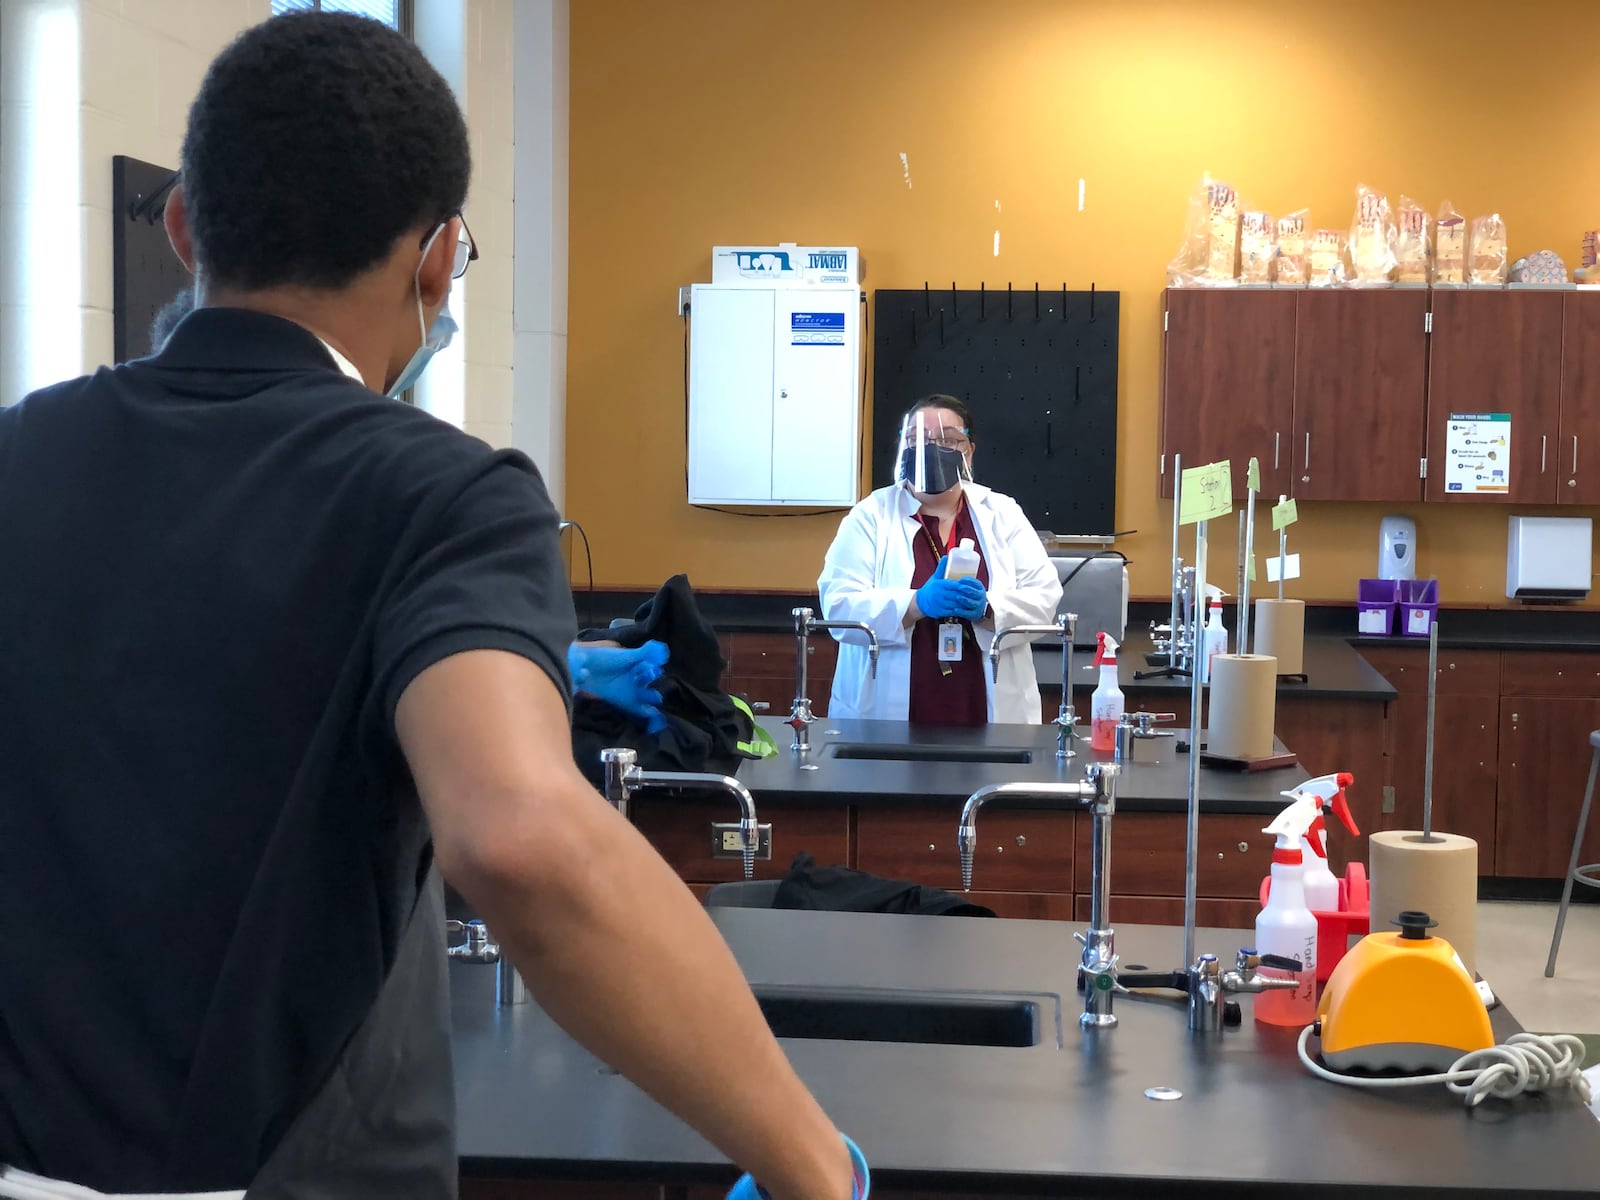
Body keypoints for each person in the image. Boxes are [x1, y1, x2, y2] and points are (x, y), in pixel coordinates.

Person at [0, 13, 860, 1200]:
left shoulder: (16, 455)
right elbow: (519, 837)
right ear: (439, 259)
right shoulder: (441, 492)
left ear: (188, 224)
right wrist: (812, 1163)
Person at [818, 396, 1063, 725]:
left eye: (947, 439)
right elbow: (838, 605)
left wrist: (989, 609)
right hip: (888, 715)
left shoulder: (1002, 514)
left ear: (969, 451)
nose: (931, 448)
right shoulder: (870, 517)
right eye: (917, 439)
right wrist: (915, 604)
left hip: (986, 710)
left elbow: (1045, 597)